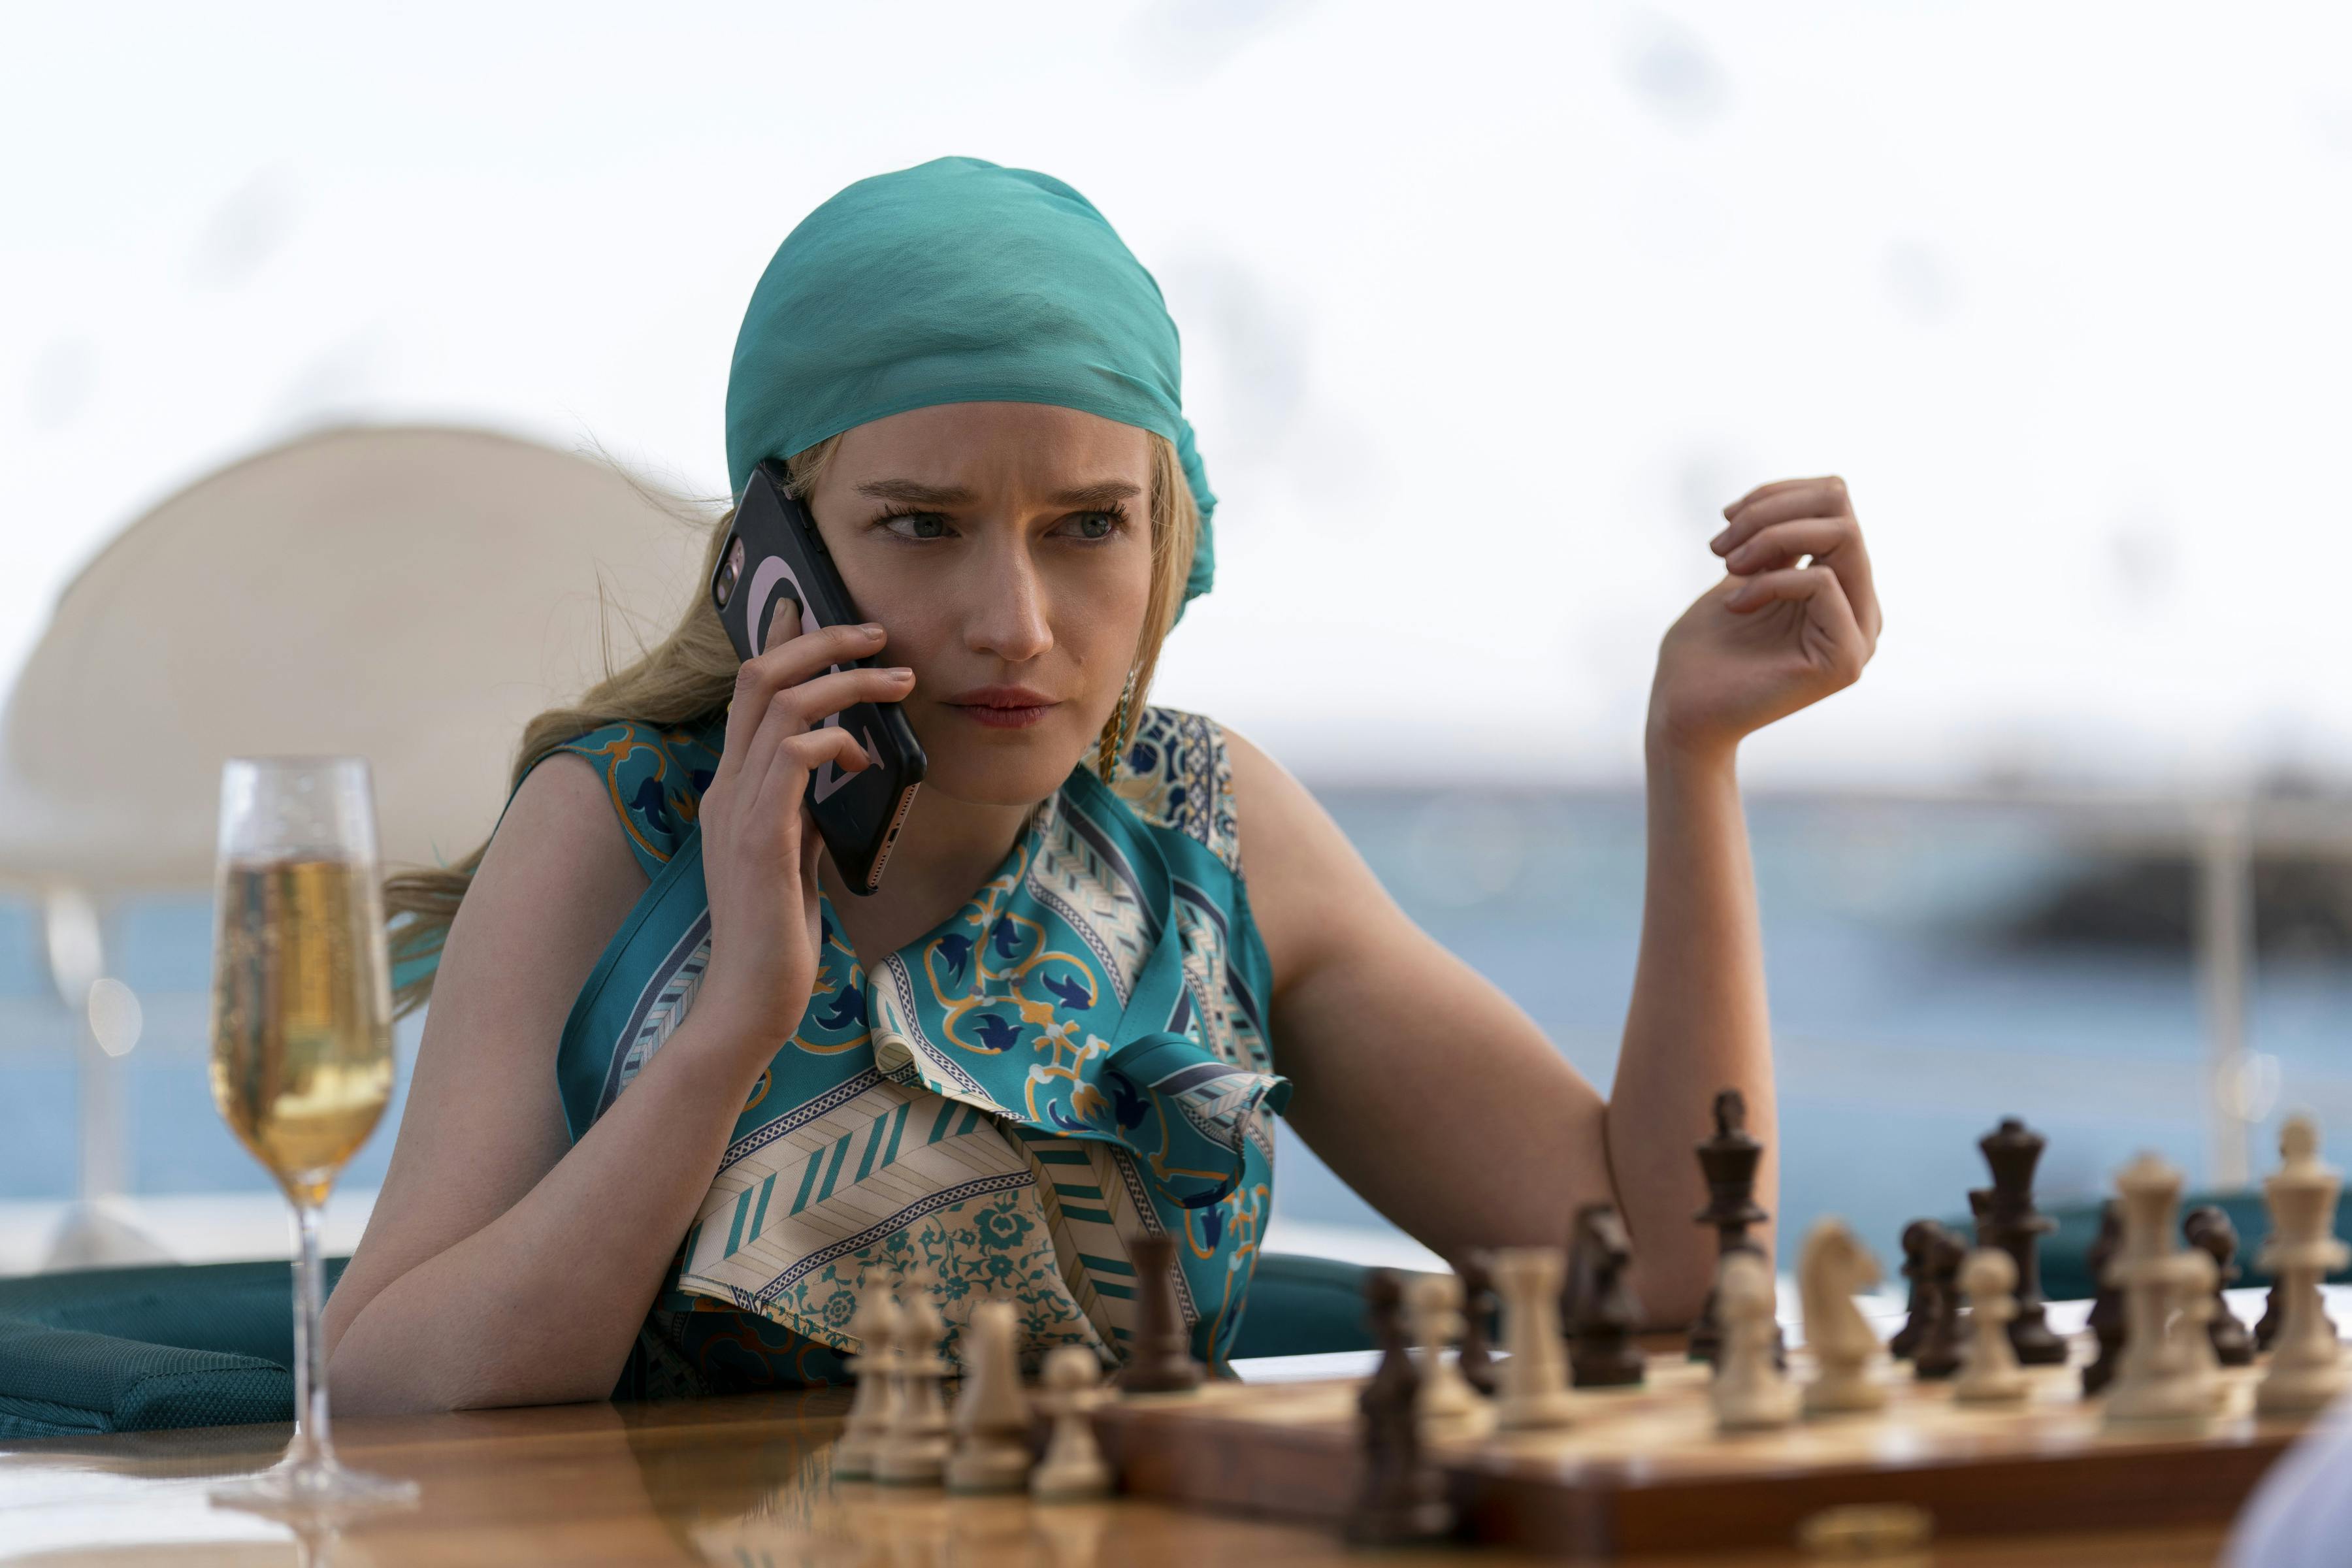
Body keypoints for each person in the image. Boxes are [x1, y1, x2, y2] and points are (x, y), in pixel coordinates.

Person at [321, 157, 1882, 1413]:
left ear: (1167, 541)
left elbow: (1665, 1275)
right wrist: (731, 1021)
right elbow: (393, 1382)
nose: (1016, 621)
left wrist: (1693, 757)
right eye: (923, 525)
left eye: (1086, 527)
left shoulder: (1214, 832)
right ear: (777, 563)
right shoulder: (616, 829)